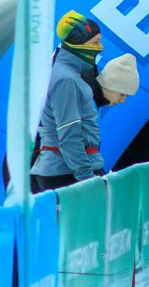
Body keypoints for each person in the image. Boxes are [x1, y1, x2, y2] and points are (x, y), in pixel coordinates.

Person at [31, 11, 110, 193]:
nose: (100, 48)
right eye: (95, 43)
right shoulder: (65, 79)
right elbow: (69, 133)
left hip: (64, 170)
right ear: (77, 44)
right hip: (66, 173)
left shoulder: (68, 73)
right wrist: (87, 178)